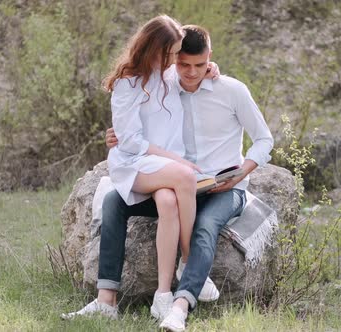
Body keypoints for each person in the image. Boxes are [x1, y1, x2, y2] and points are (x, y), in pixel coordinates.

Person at [101, 25, 274, 332]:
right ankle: (105, 300)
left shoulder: (231, 90)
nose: (192, 73)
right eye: (183, 64)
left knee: (205, 226)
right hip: (179, 184)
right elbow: (137, 118)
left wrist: (241, 173)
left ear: (210, 58)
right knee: (114, 200)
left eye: (200, 65)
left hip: (223, 187)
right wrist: (118, 135)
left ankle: (180, 306)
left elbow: (264, 139)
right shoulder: (164, 84)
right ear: (172, 60)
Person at [61, 15, 202, 322]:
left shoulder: (170, 76)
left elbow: (196, 74)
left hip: (161, 166)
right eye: (170, 54)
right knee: (186, 176)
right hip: (135, 163)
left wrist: (212, 68)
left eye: (177, 53)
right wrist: (176, 161)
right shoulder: (127, 83)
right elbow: (130, 141)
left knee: (168, 200)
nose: (174, 60)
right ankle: (189, 262)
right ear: (152, 48)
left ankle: (163, 295)